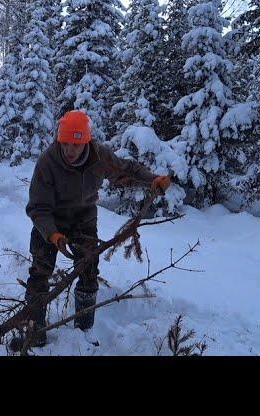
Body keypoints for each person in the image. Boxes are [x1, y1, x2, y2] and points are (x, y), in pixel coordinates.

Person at [20, 109, 170, 347]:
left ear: (86, 142)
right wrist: (53, 235)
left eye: (75, 145)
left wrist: (152, 179)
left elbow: (126, 170)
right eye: (65, 143)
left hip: (83, 218)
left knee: (88, 269)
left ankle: (84, 329)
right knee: (40, 272)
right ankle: (34, 331)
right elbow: (38, 207)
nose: (69, 150)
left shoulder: (99, 156)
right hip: (51, 219)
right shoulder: (47, 162)